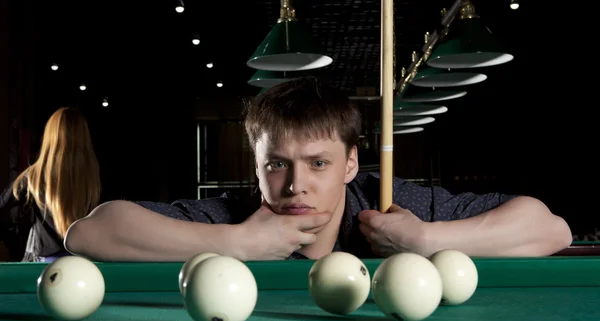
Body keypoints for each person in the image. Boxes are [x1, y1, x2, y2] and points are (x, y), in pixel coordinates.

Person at [64, 77, 572, 262]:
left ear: (351, 163)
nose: (295, 183)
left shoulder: (392, 204)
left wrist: (426, 242)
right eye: (277, 164)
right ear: (258, 166)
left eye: (319, 163)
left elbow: (551, 228)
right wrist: (237, 245)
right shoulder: (232, 216)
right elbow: (89, 233)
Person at [0, 107, 101, 262]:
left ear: (50, 137)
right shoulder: (93, 176)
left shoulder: (34, 175)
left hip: (42, 264)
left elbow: (2, 205)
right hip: (83, 262)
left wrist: (11, 241)